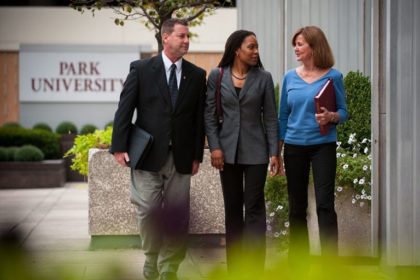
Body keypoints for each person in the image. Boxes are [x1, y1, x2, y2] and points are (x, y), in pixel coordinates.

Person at [110, 18, 206, 280]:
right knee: (148, 211)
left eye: (188, 37)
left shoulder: (197, 76)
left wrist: (197, 154)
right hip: (147, 155)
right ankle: (151, 257)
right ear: (166, 38)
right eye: (181, 36)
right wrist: (119, 147)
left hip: (182, 157)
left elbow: (199, 120)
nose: (186, 41)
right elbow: (125, 109)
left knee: (177, 214)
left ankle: (169, 267)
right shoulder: (141, 69)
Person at [204, 30, 280, 275]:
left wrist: (274, 153)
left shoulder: (264, 78)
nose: (256, 51)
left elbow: (270, 117)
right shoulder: (217, 76)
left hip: (257, 152)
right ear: (237, 49)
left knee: (255, 207)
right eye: (251, 47)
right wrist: (214, 147)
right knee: (233, 208)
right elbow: (209, 116)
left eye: (257, 47)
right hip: (226, 153)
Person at [278, 26, 348, 262]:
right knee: (297, 209)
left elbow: (344, 111)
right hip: (294, 147)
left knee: (325, 206)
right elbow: (282, 117)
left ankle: (329, 265)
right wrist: (276, 153)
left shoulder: (333, 76)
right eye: (295, 44)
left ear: (314, 46)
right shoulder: (289, 76)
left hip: (323, 146)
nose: (296, 48)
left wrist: (332, 117)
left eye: (300, 44)